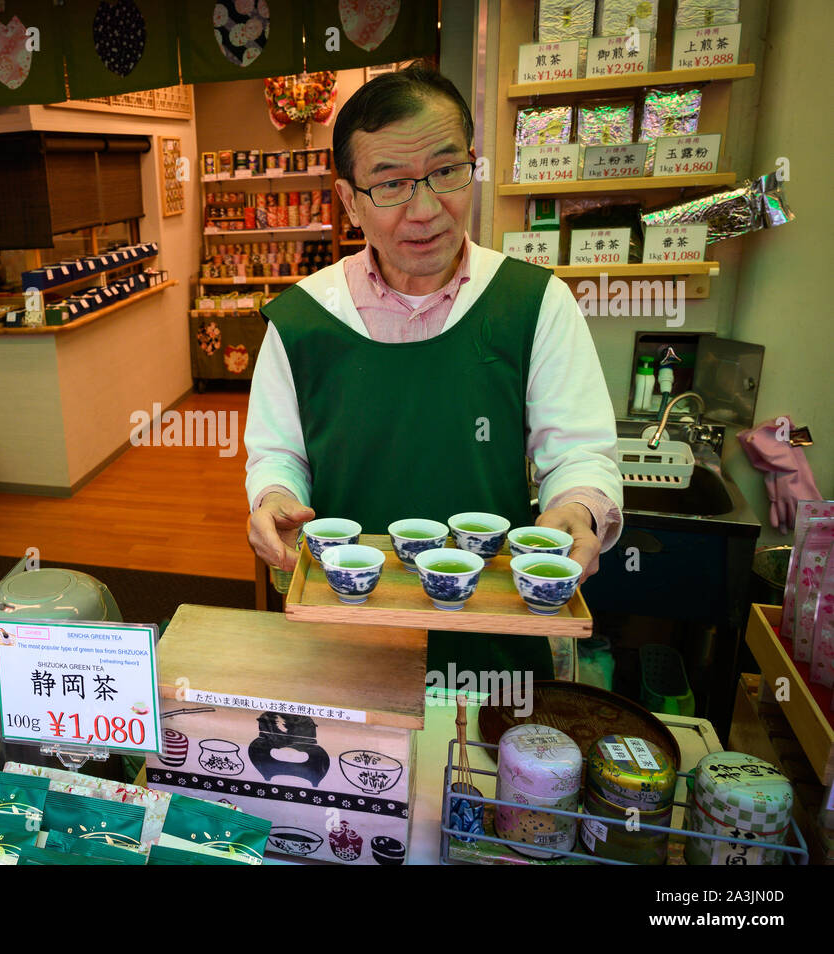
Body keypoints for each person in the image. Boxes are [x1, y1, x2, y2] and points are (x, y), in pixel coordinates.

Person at [245, 67, 623, 678]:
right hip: (342, 634)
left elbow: (578, 452)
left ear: (471, 164)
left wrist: (577, 508)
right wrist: (276, 499)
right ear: (348, 199)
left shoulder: (533, 303)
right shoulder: (303, 319)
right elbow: (277, 453)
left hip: (493, 641)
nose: (425, 209)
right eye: (391, 184)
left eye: (446, 172)